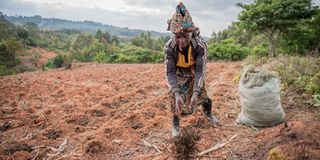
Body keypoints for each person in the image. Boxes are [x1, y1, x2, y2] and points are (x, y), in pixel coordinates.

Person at [164, 2, 219, 137]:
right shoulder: (170, 47)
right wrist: (176, 93)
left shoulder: (199, 45)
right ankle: (176, 126)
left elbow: (200, 70)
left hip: (195, 71)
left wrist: (195, 92)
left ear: (192, 33)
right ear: (173, 35)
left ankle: (208, 113)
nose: (181, 40)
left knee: (203, 96)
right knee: (176, 100)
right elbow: (170, 72)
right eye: (178, 37)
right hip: (178, 72)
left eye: (185, 36)